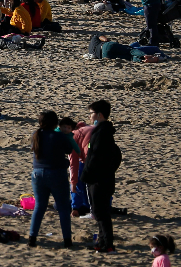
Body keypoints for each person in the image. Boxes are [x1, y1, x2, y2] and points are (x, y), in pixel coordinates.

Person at [26, 111, 79, 248]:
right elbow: (69, 150)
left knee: (40, 206)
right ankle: (67, 240)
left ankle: (32, 237)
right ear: (55, 123)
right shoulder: (58, 136)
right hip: (56, 174)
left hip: (37, 173)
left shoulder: (35, 135)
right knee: (63, 208)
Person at [82, 99, 121, 253]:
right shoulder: (102, 131)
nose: (90, 116)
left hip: (99, 179)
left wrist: (87, 174)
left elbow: (96, 156)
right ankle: (102, 241)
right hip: (100, 177)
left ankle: (108, 244)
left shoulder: (102, 132)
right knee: (99, 213)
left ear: (99, 114)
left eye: (91, 113)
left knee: (101, 213)